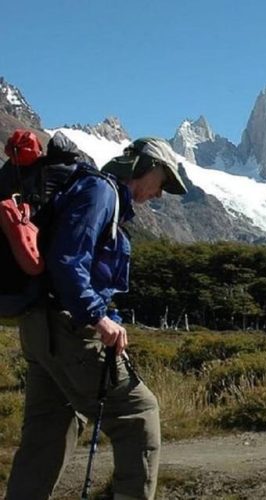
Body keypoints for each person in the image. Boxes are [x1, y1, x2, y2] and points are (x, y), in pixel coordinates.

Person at [6, 137, 187, 500]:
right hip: (69, 326)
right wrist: (98, 317)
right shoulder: (101, 193)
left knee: (48, 432)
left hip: (39, 329)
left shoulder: (91, 190)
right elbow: (68, 259)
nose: (160, 194)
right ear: (146, 168)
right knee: (139, 414)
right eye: (162, 182)